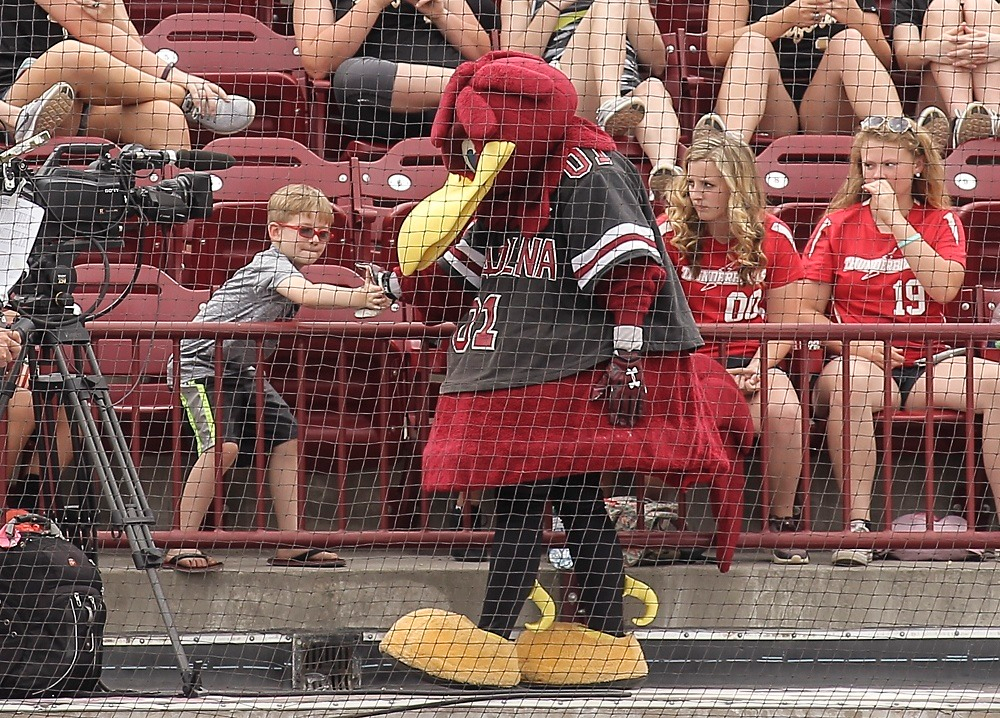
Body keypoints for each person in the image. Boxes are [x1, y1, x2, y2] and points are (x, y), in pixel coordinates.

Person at [377, 52, 749, 688]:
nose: (473, 148)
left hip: (579, 367)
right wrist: (409, 273)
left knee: (524, 495)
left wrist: (627, 357)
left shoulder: (589, 168)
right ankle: (608, 635)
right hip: (530, 359)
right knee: (573, 499)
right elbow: (466, 266)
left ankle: (494, 637)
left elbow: (632, 267)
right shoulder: (503, 173)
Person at [798, 115, 996, 567]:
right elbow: (802, 311)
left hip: (930, 361)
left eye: (890, 164)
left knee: (998, 384)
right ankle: (858, 528)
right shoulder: (837, 223)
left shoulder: (941, 220)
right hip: (861, 359)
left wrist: (897, 224)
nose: (878, 176)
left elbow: (945, 288)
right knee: (852, 384)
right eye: (869, 166)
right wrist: (851, 345)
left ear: (919, 167)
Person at [165, 184, 390, 573]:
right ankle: (181, 542)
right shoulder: (272, 266)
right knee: (223, 446)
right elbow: (304, 293)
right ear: (275, 231)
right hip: (199, 364)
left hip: (240, 369)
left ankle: (292, 541)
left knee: (286, 436)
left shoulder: (290, 266)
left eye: (323, 234)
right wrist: (357, 298)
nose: (315, 241)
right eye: (305, 231)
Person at [662, 131, 809, 565]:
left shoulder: (773, 236)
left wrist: (760, 367)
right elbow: (659, 318)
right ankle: (665, 517)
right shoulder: (671, 234)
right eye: (692, 183)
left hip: (753, 360)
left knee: (782, 408)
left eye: (709, 185)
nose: (697, 194)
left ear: (736, 186)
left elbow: (788, 323)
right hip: (690, 360)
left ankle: (783, 523)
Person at [0, 0, 256, 151]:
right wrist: (180, 79)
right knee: (72, 55)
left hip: (68, 107)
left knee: (163, 119)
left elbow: (126, 50)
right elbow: (90, 30)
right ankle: (188, 98)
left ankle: (176, 237)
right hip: (12, 108)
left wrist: (115, 14)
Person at [502, 0, 681, 199]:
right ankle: (609, 104)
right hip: (564, 97)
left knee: (653, 89)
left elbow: (657, 62)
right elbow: (512, 60)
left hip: (629, 102)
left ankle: (666, 176)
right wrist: (554, 5)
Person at [293, 0, 498, 146]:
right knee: (354, 77)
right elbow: (317, 63)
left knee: (482, 72)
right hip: (384, 107)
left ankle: (473, 89)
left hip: (453, 113)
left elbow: (482, 53)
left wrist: (439, 14)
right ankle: (474, 89)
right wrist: (372, 4)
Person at [702, 0, 905, 142]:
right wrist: (783, 20)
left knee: (849, 41)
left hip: (826, 107)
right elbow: (717, 51)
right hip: (769, 107)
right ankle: (731, 151)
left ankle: (901, 140)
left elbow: (884, 59)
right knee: (752, 44)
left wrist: (856, 18)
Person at [892, 0, 1000, 151]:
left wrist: (997, 46)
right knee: (943, 8)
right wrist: (936, 48)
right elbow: (905, 60)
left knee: (983, 7)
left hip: (993, 93)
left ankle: (995, 118)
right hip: (939, 114)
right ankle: (961, 120)